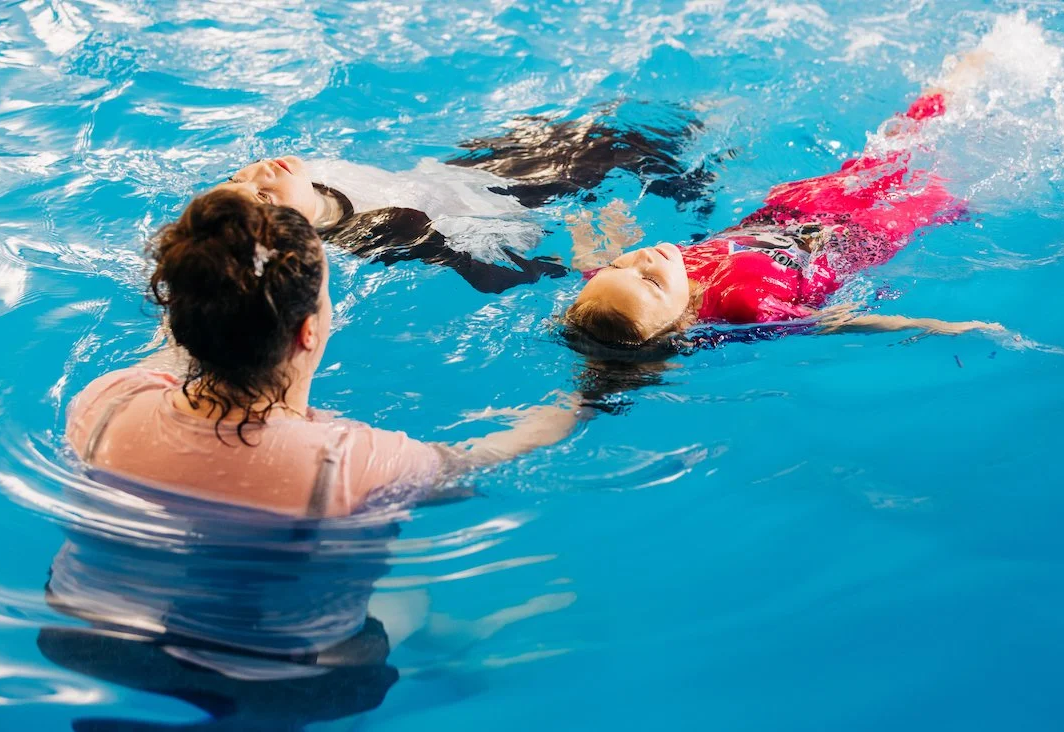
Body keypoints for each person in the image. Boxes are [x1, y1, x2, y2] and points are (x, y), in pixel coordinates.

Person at [66, 188, 581, 517]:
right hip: (297, 676)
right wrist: (604, 377)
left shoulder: (105, 404)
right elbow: (490, 459)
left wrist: (215, 261)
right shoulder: (349, 464)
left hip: (89, 634)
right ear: (307, 332)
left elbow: (180, 337)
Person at [563, 51, 1006, 349]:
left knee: (892, 148)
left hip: (794, 210)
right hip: (863, 236)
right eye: (651, 280)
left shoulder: (623, 288)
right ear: (679, 325)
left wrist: (592, 223)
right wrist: (943, 329)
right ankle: (985, 148)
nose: (643, 260)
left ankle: (949, 89)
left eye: (623, 265)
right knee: (943, 184)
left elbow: (596, 261)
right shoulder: (747, 310)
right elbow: (840, 322)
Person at [216, 103, 716, 294]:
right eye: (263, 192)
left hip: (468, 168)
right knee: (635, 147)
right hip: (503, 199)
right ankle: (699, 155)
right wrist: (554, 272)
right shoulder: (377, 229)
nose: (262, 170)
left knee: (598, 122)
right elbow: (471, 265)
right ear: (290, 225)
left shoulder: (307, 176)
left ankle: (690, 127)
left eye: (241, 176)